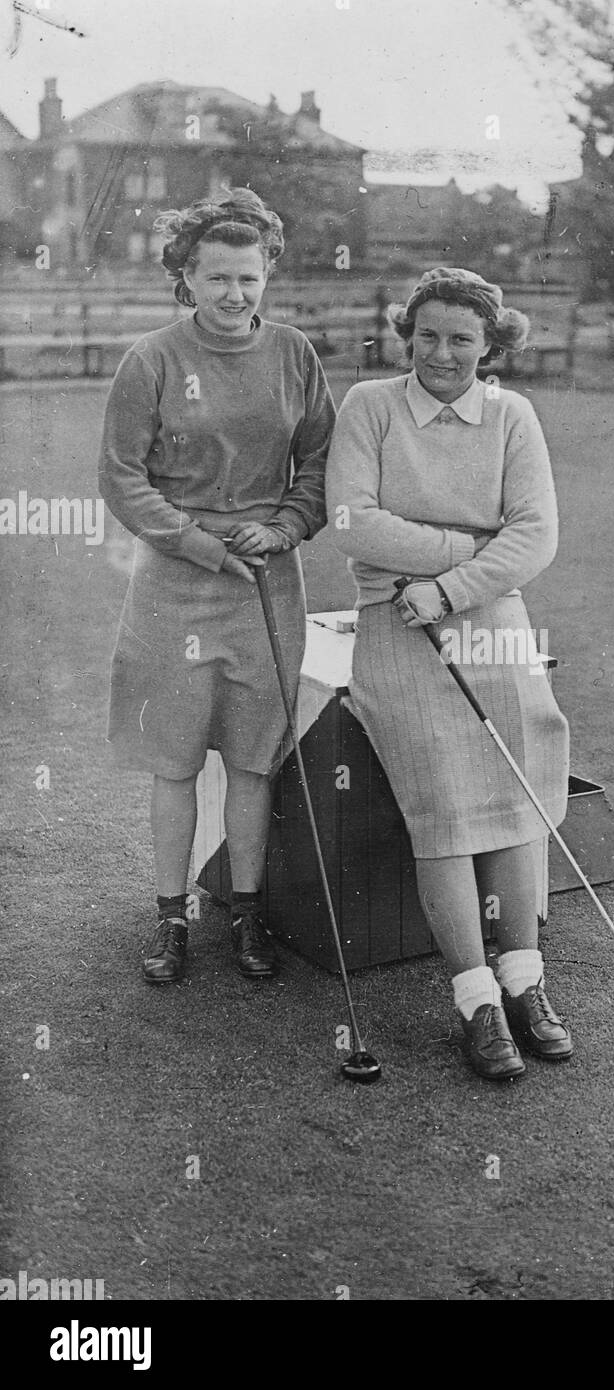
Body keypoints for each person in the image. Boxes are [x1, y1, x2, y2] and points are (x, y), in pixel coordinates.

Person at [327, 266, 571, 1080]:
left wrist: (454, 586)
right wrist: (461, 552)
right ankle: (475, 1002)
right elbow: (350, 519)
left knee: (514, 789)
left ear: (490, 344)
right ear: (407, 335)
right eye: (426, 334)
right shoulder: (369, 405)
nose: (442, 351)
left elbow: (535, 535)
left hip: (490, 615)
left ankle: (525, 984)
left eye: (462, 338)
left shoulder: (513, 416)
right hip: (393, 617)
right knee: (442, 805)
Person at [98, 188, 335, 985]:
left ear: (268, 276)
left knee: (254, 763)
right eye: (217, 279)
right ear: (186, 280)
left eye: (249, 279)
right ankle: (171, 919)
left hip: (267, 578)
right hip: (174, 582)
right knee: (174, 764)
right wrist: (199, 544)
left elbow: (321, 466)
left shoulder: (296, 354)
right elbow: (123, 478)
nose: (235, 295)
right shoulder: (153, 360)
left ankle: (247, 916)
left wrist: (287, 527)